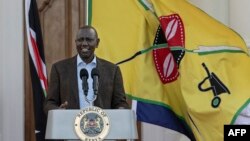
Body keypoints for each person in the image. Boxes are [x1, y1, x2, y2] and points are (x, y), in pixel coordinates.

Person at [44, 25, 129, 114]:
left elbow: (120, 103)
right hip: (70, 125)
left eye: (89, 40)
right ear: (75, 42)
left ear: (97, 42)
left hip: (102, 125)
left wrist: (121, 110)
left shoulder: (112, 70)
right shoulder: (59, 69)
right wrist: (58, 111)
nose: (84, 43)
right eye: (80, 40)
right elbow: (49, 103)